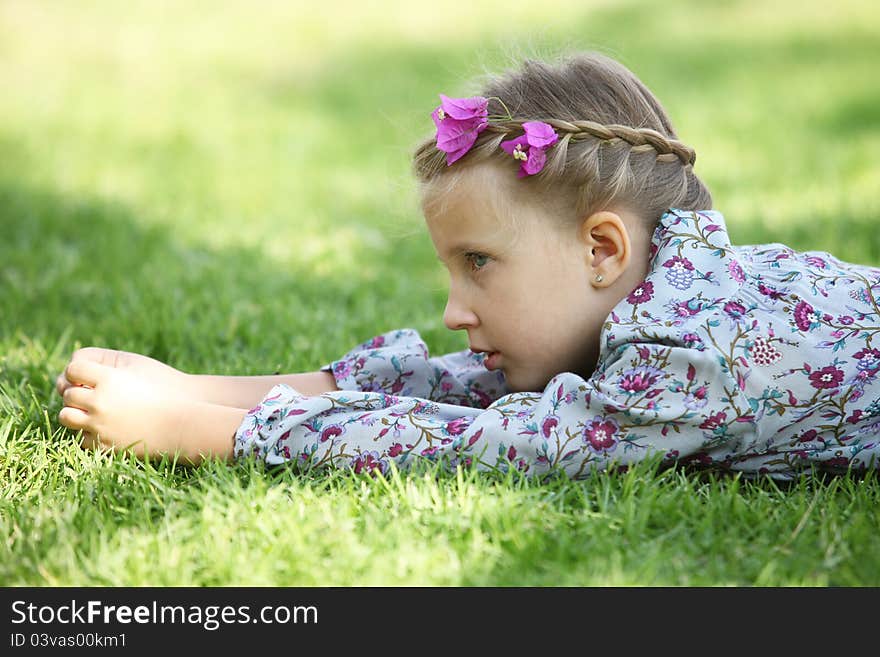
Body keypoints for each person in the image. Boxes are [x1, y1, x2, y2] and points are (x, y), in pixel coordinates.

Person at [55, 52, 880, 479]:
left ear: (602, 250)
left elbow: (496, 440)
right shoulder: (658, 296)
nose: (454, 309)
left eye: (479, 262)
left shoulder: (691, 353)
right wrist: (198, 385)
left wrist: (201, 430)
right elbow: (476, 385)